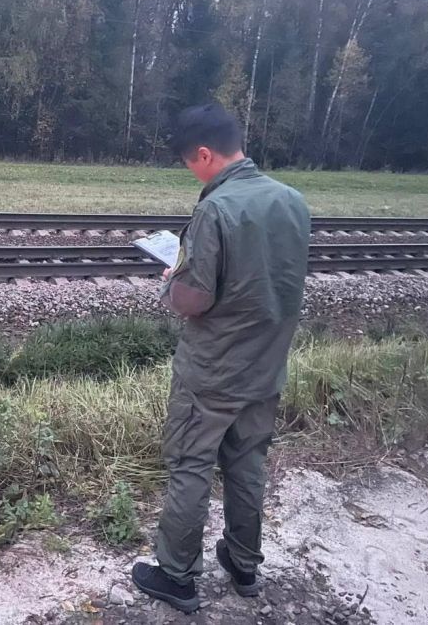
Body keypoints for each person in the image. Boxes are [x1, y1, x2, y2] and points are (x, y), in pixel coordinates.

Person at [132, 103, 311, 613]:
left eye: (191, 162)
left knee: (191, 465)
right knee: (247, 464)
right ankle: (243, 564)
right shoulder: (292, 200)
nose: (192, 171)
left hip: (212, 372)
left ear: (205, 154)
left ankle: (176, 577)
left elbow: (196, 299)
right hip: (265, 366)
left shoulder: (215, 209)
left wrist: (172, 284)